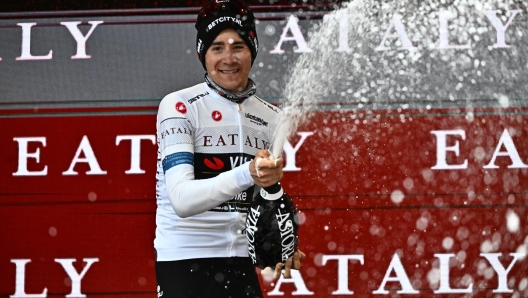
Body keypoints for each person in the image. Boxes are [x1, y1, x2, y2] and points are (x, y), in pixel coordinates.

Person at [154, 0, 305, 296]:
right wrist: (249, 172)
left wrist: (280, 245)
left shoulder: (270, 116)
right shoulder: (179, 106)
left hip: (241, 263)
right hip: (185, 261)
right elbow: (182, 200)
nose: (228, 58)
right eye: (217, 47)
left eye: (238, 46)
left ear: (253, 50)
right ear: (203, 54)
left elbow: (263, 201)